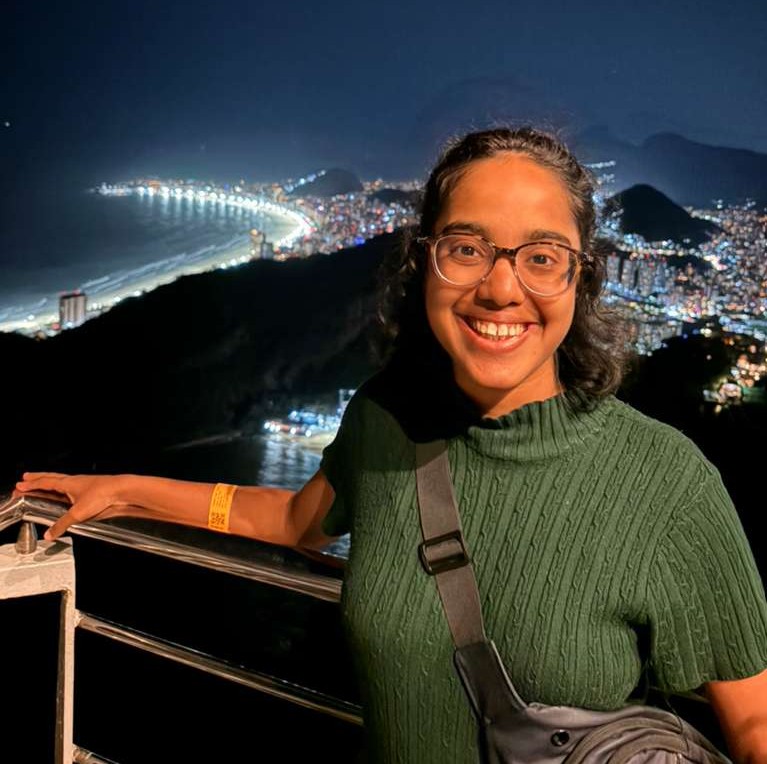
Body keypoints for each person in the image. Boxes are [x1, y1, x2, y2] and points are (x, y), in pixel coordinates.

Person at [16, 127, 767, 762]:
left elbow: (753, 725)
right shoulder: (385, 420)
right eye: (467, 248)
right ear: (425, 262)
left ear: (581, 278)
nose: (501, 288)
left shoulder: (665, 482)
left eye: (541, 256)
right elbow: (294, 522)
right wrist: (125, 491)